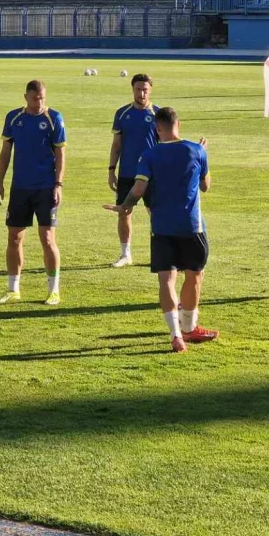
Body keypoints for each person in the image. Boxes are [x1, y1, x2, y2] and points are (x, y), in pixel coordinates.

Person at [105, 107, 217, 353]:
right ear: (179, 123)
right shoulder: (196, 150)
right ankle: (189, 326)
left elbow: (137, 190)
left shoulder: (149, 154)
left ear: (157, 128)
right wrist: (201, 157)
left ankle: (176, 335)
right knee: (194, 275)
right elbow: (206, 186)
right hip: (191, 226)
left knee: (166, 279)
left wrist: (124, 207)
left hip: (161, 226)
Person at [0, 79, 65, 305]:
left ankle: (53, 289)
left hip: (46, 188)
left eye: (42, 98)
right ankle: (13, 288)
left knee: (47, 238)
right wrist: (0, 182)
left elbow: (61, 155)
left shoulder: (54, 118)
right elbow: (6, 151)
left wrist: (58, 184)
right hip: (20, 188)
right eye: (35, 98)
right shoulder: (14, 118)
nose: (39, 102)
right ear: (25, 97)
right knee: (14, 237)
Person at [107, 73, 159, 268]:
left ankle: (159, 254)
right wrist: (112, 170)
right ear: (133, 90)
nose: (142, 93)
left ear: (150, 90)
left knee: (155, 213)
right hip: (127, 172)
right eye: (138, 89)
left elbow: (166, 145)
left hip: (152, 175)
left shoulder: (158, 114)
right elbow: (116, 145)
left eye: (145, 89)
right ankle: (125, 254)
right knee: (124, 211)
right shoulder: (122, 113)